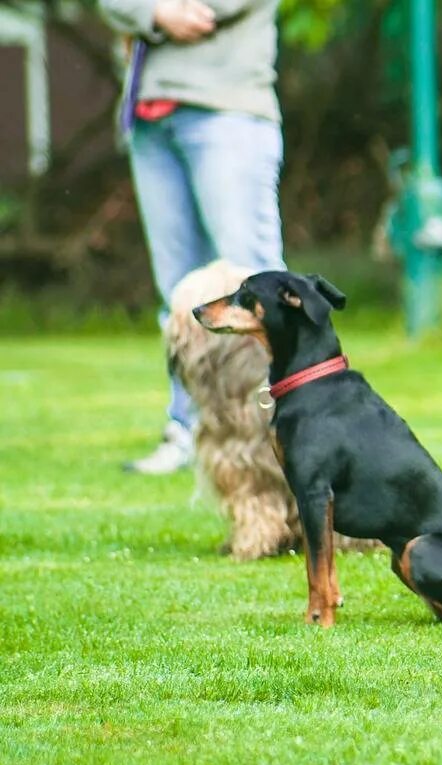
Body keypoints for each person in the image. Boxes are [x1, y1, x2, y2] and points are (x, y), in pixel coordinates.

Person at [100, 0, 285, 473]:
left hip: (228, 108)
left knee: (256, 286)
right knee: (179, 296)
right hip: (149, 114)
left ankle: (286, 426)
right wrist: (156, 12)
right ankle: (188, 429)